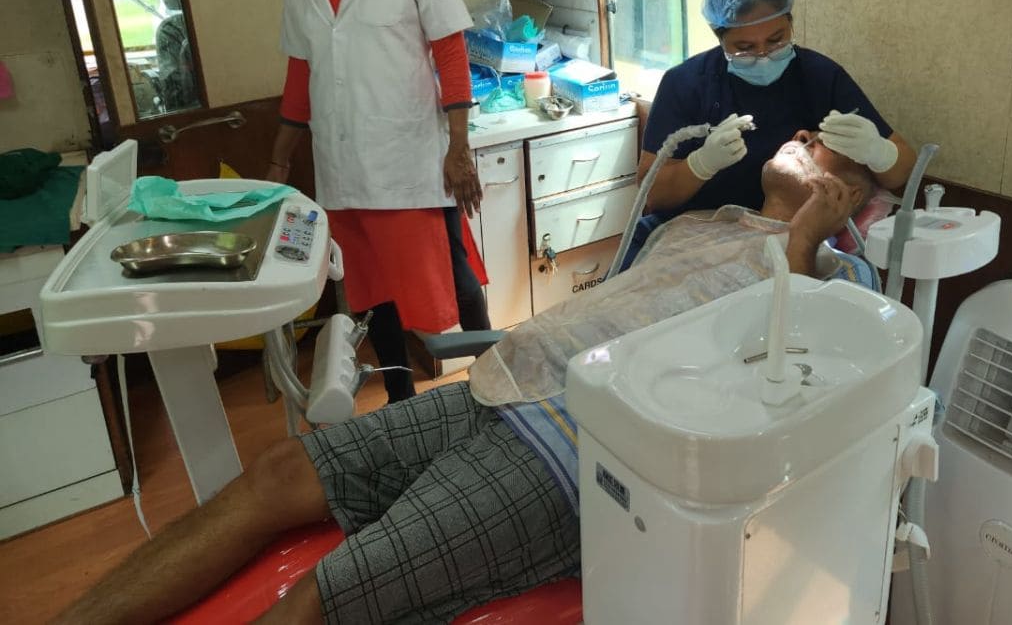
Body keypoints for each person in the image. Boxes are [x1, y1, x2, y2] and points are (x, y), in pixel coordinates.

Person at [54, 134, 875, 625]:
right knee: (271, 474)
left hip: (573, 446)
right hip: (502, 378)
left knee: (328, 591)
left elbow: (785, 379)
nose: (801, 136)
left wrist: (810, 238)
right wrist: (696, 173)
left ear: (850, 194)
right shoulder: (707, 220)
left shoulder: (841, 280)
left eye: (825, 147)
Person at [263, 0, 489, 403]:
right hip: (342, 167)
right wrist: (281, 164)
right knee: (370, 291)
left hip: (411, 158)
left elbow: (450, 54)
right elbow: (300, 73)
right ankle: (399, 402)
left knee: (452, 275)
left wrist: (458, 148)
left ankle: (496, 379)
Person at [629, 0, 917, 266]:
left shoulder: (820, 77)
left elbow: (905, 171)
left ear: (790, 22)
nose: (764, 54)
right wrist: (699, 165)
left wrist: (879, 152)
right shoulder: (685, 84)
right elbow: (650, 194)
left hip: (781, 242)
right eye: (745, 47)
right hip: (682, 240)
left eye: (776, 39)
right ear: (719, 37)